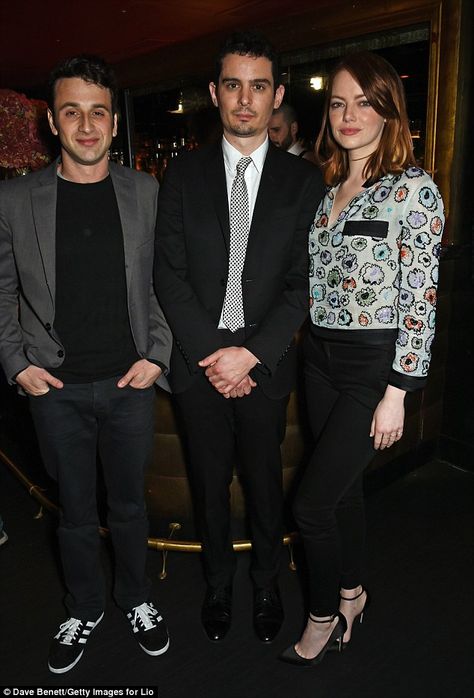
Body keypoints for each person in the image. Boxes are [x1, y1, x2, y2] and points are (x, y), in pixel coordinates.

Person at [0, 55, 172, 674]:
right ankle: (83, 605)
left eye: (98, 111)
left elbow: (164, 284)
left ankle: (136, 597)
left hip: (131, 382)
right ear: (52, 120)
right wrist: (15, 362)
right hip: (55, 387)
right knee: (73, 511)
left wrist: (158, 353)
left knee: (128, 505)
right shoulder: (16, 198)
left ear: (115, 120)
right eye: (72, 111)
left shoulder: (145, 191)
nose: (87, 124)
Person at [154, 31, 324, 644]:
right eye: (233, 85)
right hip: (199, 363)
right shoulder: (181, 174)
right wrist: (214, 356)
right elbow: (167, 274)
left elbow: (303, 283)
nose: (245, 100)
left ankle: (267, 584)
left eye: (258, 86)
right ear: (214, 93)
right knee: (207, 483)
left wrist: (250, 354)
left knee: (263, 483)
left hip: (264, 364)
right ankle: (219, 585)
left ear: (277, 94)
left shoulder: (305, 182)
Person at [279, 51, 444, 666]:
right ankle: (352, 594)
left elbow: (420, 299)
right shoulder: (327, 191)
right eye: (340, 102)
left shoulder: (413, 189)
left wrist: (398, 391)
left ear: (388, 112)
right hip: (318, 357)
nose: (350, 115)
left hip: (372, 368)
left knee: (312, 505)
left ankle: (321, 617)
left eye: (365, 102)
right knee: (343, 494)